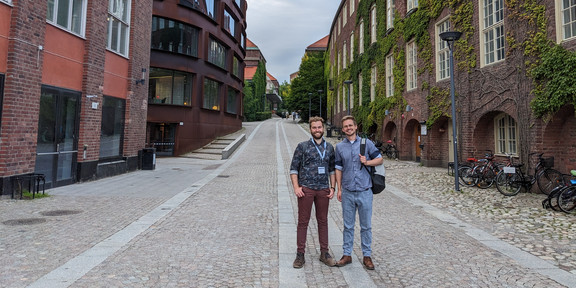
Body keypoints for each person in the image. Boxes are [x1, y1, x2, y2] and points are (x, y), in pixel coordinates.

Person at [334, 115, 383, 270]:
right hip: (348, 191)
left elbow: (380, 159)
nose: (348, 128)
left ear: (355, 127)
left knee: (366, 226)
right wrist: (339, 188)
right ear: (343, 129)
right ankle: (347, 254)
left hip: (364, 190)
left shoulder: (366, 143)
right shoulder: (340, 147)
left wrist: (367, 162)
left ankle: (367, 256)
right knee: (348, 225)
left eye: (351, 125)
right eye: (345, 126)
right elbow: (338, 169)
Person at [289, 116, 337, 268]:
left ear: (323, 128)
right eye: (314, 128)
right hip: (306, 189)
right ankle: (300, 254)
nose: (317, 130)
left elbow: (331, 169)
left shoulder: (329, 147)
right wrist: (296, 187)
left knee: (323, 221)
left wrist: (333, 187)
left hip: (323, 189)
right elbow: (293, 169)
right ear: (310, 129)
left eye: (319, 127)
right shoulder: (302, 146)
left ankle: (324, 253)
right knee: (303, 222)